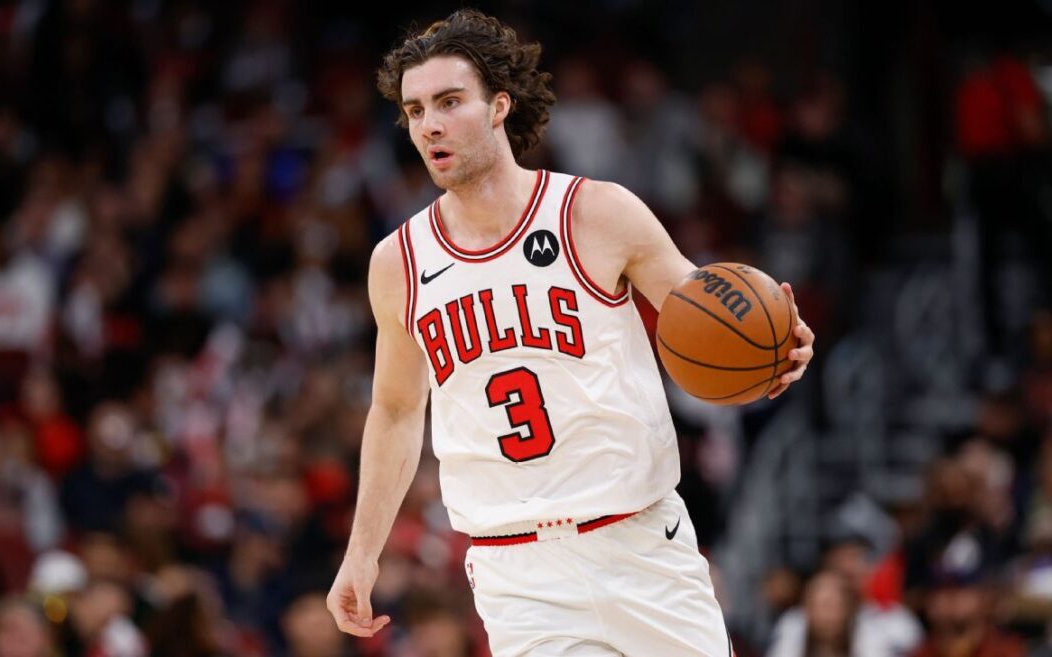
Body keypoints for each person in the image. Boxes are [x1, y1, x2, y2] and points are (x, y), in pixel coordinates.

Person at [326, 9, 815, 656]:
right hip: (518, 573)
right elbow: (393, 410)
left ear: (499, 105)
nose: (430, 125)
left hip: (640, 542)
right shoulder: (398, 262)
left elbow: (705, 306)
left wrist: (778, 339)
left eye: (449, 101)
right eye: (415, 111)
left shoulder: (596, 212)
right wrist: (362, 553)